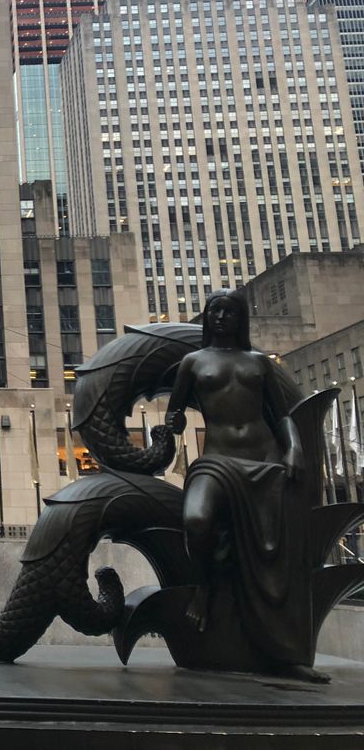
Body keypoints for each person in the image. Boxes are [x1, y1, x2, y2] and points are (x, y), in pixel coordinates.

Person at [165, 288, 317, 680]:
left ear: (240, 318)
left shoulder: (259, 362)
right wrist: (170, 425)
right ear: (206, 316)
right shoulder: (192, 362)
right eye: (214, 311)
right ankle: (204, 586)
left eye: (229, 311)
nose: (221, 318)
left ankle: (288, 655)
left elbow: (281, 414)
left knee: (276, 556)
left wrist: (294, 447)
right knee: (196, 519)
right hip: (216, 459)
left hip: (263, 460)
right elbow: (174, 414)